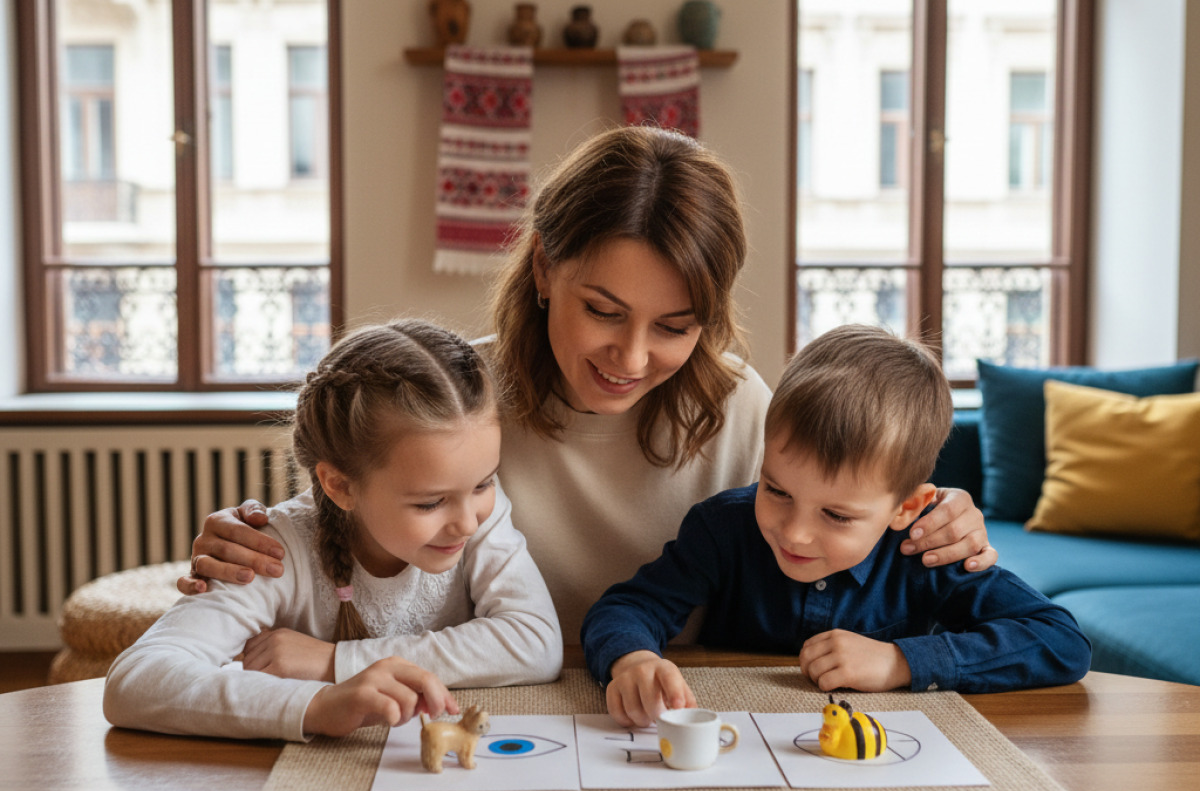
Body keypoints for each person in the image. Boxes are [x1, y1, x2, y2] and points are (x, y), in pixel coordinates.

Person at [176, 126, 997, 640]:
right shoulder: (457, 401)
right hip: (475, 703)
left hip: (675, 715)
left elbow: (842, 525)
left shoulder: (750, 413)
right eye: (603, 310)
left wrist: (933, 525)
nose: (632, 358)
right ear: (543, 267)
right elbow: (345, 530)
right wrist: (263, 542)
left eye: (675, 328)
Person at [582, 325, 1091, 728]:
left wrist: (901, 662)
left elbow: (1061, 641)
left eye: (837, 515)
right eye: (776, 490)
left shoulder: (926, 549)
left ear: (906, 508)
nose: (795, 533)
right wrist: (631, 659)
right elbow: (629, 606)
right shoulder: (723, 528)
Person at [104, 320, 562, 741]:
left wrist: (334, 663)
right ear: (340, 485)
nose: (467, 521)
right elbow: (135, 681)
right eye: (429, 502)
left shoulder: (479, 514)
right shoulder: (272, 551)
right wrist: (318, 705)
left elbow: (536, 644)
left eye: (484, 482)